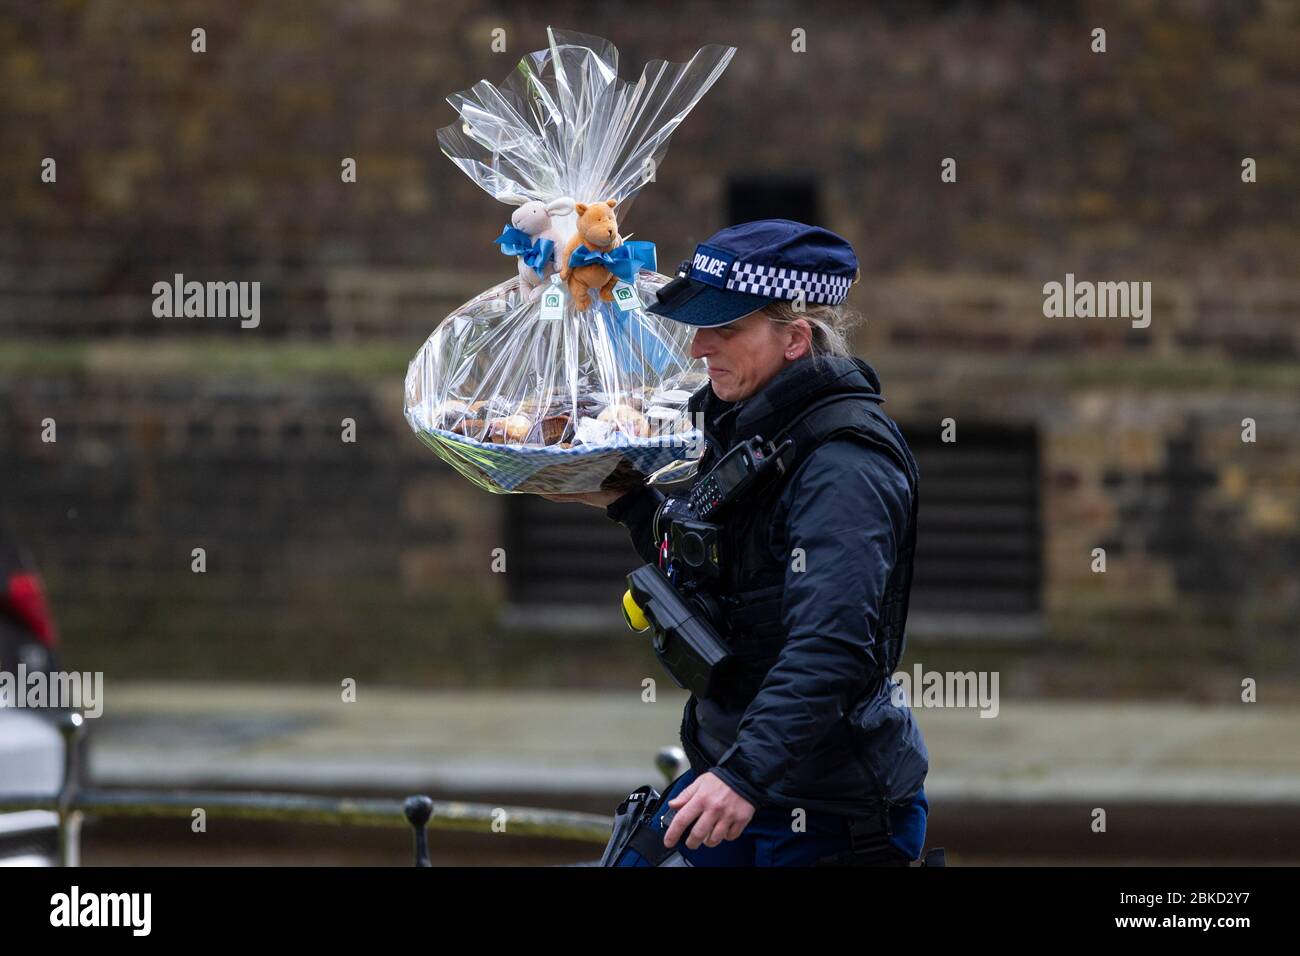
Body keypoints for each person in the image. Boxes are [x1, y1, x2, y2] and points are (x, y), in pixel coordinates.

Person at [546, 220, 929, 866]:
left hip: (823, 812)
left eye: (724, 329)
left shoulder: (844, 464)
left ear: (796, 340)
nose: (698, 348)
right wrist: (630, 503)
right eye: (700, 327)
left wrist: (743, 777)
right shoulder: (748, 420)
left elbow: (830, 646)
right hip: (734, 776)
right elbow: (725, 577)